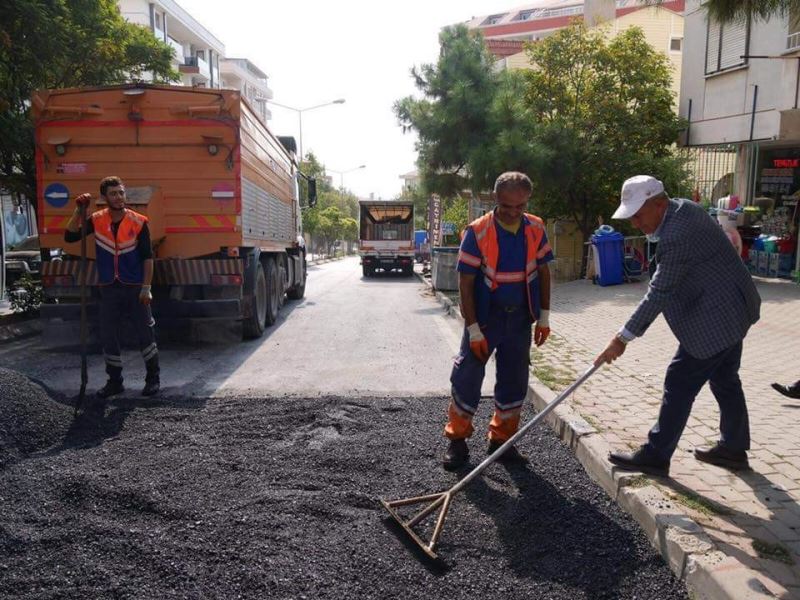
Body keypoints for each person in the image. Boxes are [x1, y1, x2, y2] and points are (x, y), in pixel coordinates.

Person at [595, 175, 761, 476]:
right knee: (725, 377)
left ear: (659, 203)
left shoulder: (677, 233)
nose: (635, 223)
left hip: (719, 315)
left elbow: (660, 291)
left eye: (638, 214)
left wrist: (622, 338)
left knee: (679, 380)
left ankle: (656, 454)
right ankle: (734, 449)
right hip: (734, 307)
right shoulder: (683, 208)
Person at [443, 171, 554, 471]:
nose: (514, 212)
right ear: (495, 199)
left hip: (519, 320)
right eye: (507, 206)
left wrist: (543, 317)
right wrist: (474, 330)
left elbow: (543, 272)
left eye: (520, 206)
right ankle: (457, 441)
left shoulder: (535, 228)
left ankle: (502, 442)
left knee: (514, 379)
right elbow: (465, 282)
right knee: (467, 376)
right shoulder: (477, 231)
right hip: (486, 319)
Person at [65, 176, 160, 398]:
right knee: (108, 335)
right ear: (105, 197)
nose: (119, 197)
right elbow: (69, 237)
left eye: (121, 193)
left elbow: (148, 257)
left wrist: (147, 287)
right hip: (109, 287)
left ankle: (153, 379)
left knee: (145, 332)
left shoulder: (139, 221)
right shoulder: (96, 220)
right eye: (114, 193)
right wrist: (78, 212)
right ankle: (115, 382)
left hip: (135, 287)